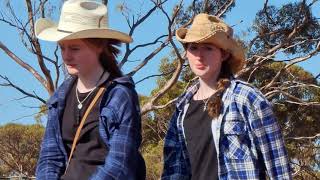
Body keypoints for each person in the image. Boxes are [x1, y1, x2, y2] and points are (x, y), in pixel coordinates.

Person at [161, 13, 292, 180]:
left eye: (208, 48)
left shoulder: (247, 99)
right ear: (186, 53)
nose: (199, 55)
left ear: (224, 55)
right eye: (193, 47)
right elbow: (173, 172)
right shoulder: (181, 109)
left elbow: (278, 167)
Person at [35, 0, 145, 179]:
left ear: (100, 46)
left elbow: (120, 164)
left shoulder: (119, 95)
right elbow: (50, 156)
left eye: (75, 48)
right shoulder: (61, 97)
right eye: (62, 47)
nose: (66, 56)